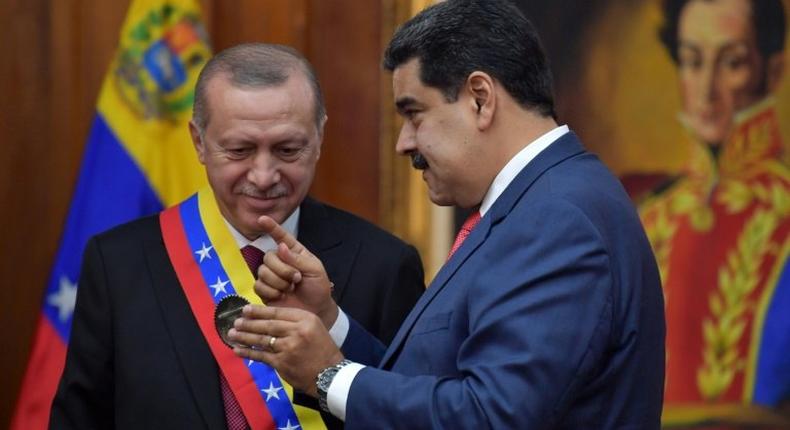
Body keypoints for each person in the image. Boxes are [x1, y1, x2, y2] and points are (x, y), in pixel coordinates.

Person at [227, 1, 666, 428]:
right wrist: (329, 322)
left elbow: (492, 417)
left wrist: (328, 376)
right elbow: (435, 388)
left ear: (479, 98)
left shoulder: (557, 217)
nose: (404, 143)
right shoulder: (534, 204)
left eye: (414, 113)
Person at [49, 43, 425, 429]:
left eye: (287, 149)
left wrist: (333, 326)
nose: (263, 176)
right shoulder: (118, 264)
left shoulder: (386, 266)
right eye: (240, 150)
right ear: (199, 142)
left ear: (319, 137)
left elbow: (415, 413)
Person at [634, 0, 790, 424]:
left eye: (732, 63)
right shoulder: (647, 217)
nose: (706, 90)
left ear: (771, 72)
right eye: (692, 61)